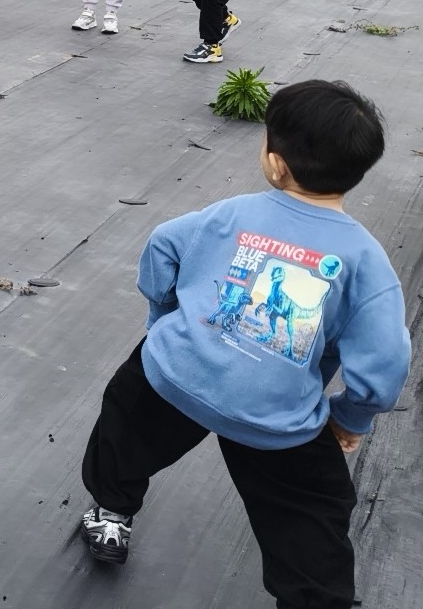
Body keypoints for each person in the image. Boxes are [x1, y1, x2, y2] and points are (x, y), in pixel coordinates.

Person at [78, 80, 408, 609]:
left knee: (126, 429)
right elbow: (386, 363)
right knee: (311, 518)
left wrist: (164, 317)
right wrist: (351, 416)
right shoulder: (366, 262)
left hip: (174, 376)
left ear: (275, 164)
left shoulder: (228, 214)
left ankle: (110, 511)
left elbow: (162, 245)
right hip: (275, 417)